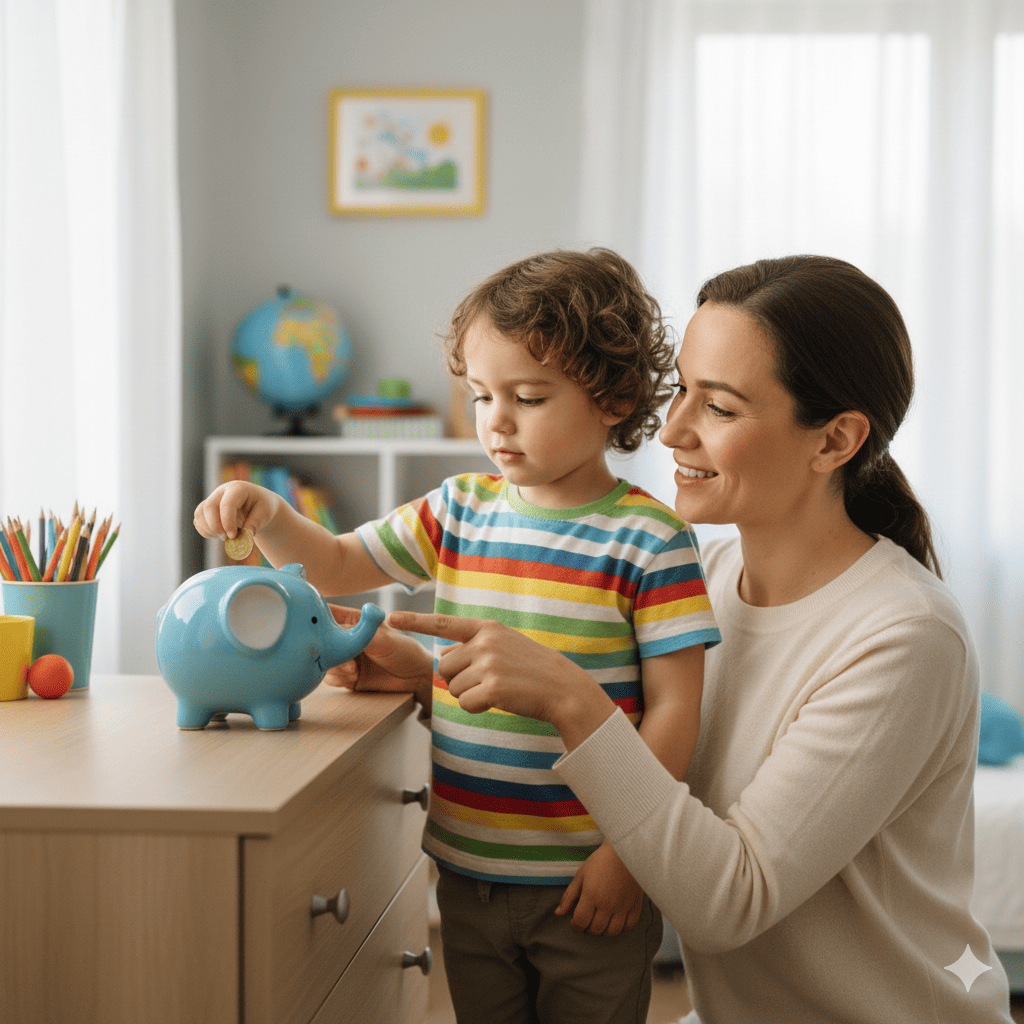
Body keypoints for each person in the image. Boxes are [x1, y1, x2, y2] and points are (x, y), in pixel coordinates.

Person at [351, 255, 1014, 1024]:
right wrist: (428, 679)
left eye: (721, 409)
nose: (670, 431)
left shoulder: (904, 638)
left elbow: (729, 900)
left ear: (834, 441)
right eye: (680, 394)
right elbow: (626, 773)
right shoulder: (701, 573)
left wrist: (572, 697)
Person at [194, 248, 721, 1024]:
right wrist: (270, 514)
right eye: (481, 395)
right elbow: (338, 565)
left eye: (529, 397)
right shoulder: (460, 508)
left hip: (593, 876)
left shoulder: (651, 538)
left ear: (612, 398)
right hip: (468, 869)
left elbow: (676, 713)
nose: (496, 421)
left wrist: (630, 856)